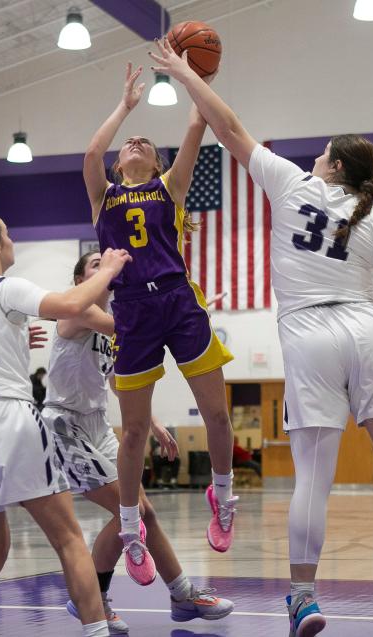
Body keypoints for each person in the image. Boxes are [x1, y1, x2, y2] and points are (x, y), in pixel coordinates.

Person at [151, 41, 373, 635]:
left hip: (308, 332)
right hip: (366, 326)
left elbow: (227, 127)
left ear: (334, 167)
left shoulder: (290, 184)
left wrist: (185, 73)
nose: (315, 156)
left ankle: (304, 598)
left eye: (324, 153)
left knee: (313, 477)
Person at [0, 210, 132, 637]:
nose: (12, 238)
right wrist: (110, 269)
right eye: (8, 233)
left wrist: (14, 341)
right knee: (68, 540)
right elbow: (74, 303)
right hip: (6, 418)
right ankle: (97, 631)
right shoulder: (6, 286)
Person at [84, 63, 238, 582]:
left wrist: (198, 80)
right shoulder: (103, 196)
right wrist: (125, 105)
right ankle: (131, 529)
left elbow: (197, 125)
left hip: (178, 301)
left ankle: (223, 493)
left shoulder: (170, 188)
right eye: (129, 141)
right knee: (131, 434)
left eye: (145, 141)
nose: (135, 141)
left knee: (218, 416)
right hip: (131, 310)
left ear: (157, 161)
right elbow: (89, 155)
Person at [43, 252, 234, 633]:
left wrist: (153, 425)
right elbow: (129, 330)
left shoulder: (110, 327)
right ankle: (92, 600)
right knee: (125, 511)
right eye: (95, 264)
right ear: (81, 277)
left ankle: (181, 596)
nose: (104, 267)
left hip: (97, 425)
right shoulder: (77, 308)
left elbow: (118, 384)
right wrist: (182, 315)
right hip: (64, 424)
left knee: (142, 512)